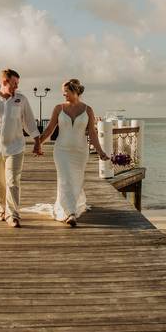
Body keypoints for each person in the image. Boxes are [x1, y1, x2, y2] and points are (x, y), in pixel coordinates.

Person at [33, 78, 109, 227]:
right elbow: (49, 129)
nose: (64, 95)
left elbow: (92, 133)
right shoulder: (58, 108)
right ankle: (70, 213)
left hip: (80, 152)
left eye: (66, 92)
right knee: (65, 179)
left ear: (75, 92)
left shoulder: (88, 110)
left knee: (76, 180)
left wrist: (100, 151)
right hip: (61, 151)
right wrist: (38, 144)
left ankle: (72, 206)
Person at [0, 68, 39, 228]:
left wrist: (37, 141)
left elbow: (29, 122)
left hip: (15, 148)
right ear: (5, 82)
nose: (16, 87)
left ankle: (13, 215)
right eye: (14, 84)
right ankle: (3, 208)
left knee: (12, 181)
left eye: (17, 84)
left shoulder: (21, 100)